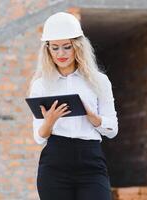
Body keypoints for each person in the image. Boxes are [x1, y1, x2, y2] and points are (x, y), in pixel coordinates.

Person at [28, 12, 118, 200]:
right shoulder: (41, 85)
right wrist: (49, 122)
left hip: (91, 161)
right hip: (55, 163)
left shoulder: (99, 81)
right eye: (55, 48)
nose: (61, 54)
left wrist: (96, 120)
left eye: (67, 47)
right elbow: (38, 137)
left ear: (77, 47)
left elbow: (112, 130)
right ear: (48, 50)